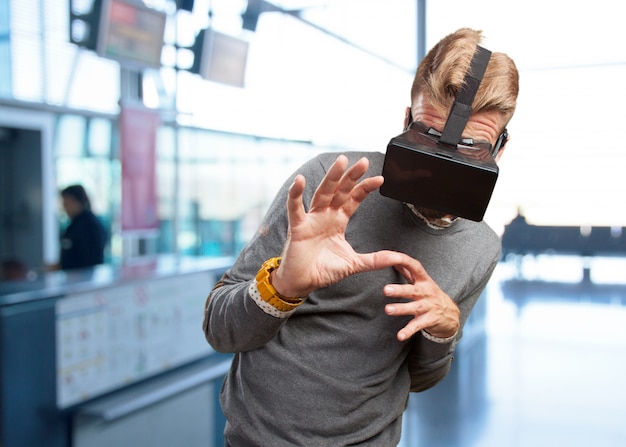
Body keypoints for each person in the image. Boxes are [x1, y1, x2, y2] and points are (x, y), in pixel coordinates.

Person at [203, 28, 519, 446]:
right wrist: (283, 286)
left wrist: (442, 331)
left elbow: (421, 378)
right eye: (427, 136)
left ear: (500, 147)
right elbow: (220, 329)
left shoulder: (480, 248)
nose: (441, 172)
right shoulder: (328, 184)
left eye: (469, 150)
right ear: (406, 120)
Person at [56, 184, 107, 270]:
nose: (65, 207)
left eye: (67, 203)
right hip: (74, 278)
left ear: (78, 201)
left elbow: (90, 260)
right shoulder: (74, 225)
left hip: (84, 279)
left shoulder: (89, 226)